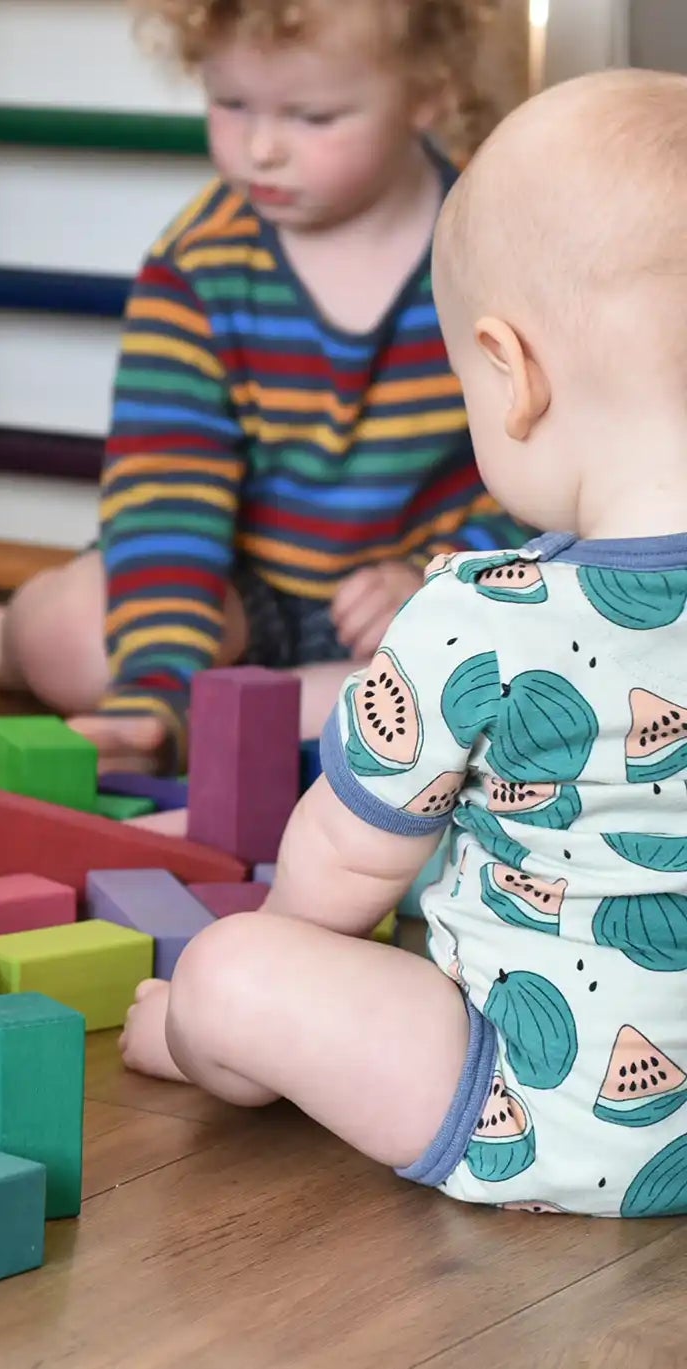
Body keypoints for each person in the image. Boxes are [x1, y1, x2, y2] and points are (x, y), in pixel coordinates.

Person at [120, 68, 687, 1219]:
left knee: (229, 972)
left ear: (510, 375)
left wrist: (253, 1012)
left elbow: (339, 867)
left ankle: (206, 1040)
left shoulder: (483, 612)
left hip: (537, 1112)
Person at [0, 0, 528, 773]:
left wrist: (442, 580)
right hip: (234, 592)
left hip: (418, 602)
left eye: (313, 115)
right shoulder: (196, 269)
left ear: (427, 91)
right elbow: (166, 492)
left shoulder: (495, 252)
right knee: (67, 634)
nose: (260, 148)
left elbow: (545, 462)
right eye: (230, 104)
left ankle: (246, 710)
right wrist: (153, 686)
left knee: (505, 681)